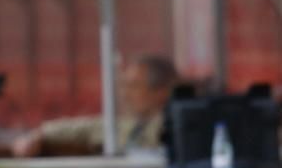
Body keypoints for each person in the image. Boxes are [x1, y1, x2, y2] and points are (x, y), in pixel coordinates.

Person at [12, 57, 177, 162]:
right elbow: (86, 129)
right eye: (124, 86)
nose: (125, 94)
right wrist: (39, 134)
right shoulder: (130, 125)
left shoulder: (172, 129)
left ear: (161, 91)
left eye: (134, 86)